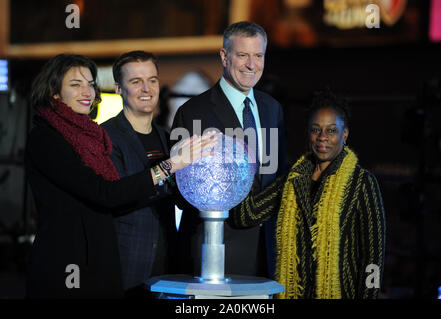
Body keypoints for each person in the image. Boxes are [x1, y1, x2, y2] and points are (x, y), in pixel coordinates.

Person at [25, 53, 216, 298]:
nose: (86, 92)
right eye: (75, 84)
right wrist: (171, 166)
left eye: (90, 84)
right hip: (85, 267)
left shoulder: (94, 138)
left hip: (155, 264)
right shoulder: (63, 139)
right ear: (54, 92)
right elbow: (108, 194)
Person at [230, 90, 386, 299]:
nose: (323, 138)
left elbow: (373, 255)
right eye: (316, 130)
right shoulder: (293, 179)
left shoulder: (362, 182)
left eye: (331, 131)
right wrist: (242, 166)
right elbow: (246, 215)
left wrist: (369, 296)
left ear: (345, 134)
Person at [171, 21, 287, 278]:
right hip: (214, 254)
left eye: (258, 56)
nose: (251, 65)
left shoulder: (272, 109)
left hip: (265, 253)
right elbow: (180, 193)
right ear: (224, 57)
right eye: (242, 55)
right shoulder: (192, 113)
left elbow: (277, 176)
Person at [101, 51, 177, 297]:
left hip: (167, 265)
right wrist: (172, 165)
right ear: (118, 88)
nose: (147, 89)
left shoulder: (167, 138)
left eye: (152, 80)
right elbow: (116, 196)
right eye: (136, 82)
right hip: (126, 266)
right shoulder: (106, 137)